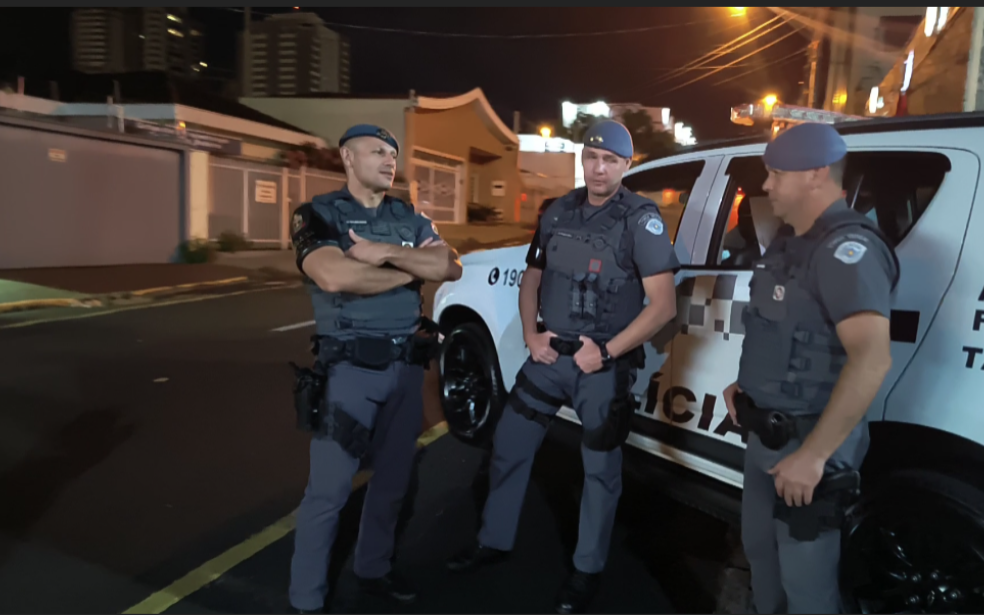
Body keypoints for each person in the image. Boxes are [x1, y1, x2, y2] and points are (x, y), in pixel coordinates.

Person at [444, 119, 680, 614]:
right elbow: (532, 278)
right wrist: (531, 334)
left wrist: (609, 351)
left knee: (600, 474)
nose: (598, 168)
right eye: (592, 157)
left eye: (610, 160)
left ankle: (586, 572)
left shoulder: (641, 219)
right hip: (550, 358)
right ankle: (493, 541)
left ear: (626, 165)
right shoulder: (558, 211)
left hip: (601, 367)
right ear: (582, 159)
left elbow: (662, 306)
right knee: (508, 446)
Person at [721, 123, 899, 614]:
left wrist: (816, 456)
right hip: (765, 437)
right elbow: (787, 330)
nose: (767, 185)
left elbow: (872, 357)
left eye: (777, 174)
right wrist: (749, 385)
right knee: (762, 558)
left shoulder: (847, 250)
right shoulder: (789, 242)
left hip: (807, 445)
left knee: (808, 586)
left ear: (817, 174)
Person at [287, 124, 462, 614]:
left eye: (393, 153)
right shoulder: (318, 214)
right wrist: (413, 266)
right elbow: (333, 273)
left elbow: (450, 265)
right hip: (349, 374)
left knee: (392, 483)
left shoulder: (407, 215)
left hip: (406, 371)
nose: (390, 160)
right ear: (347, 157)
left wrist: (385, 254)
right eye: (377, 152)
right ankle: (305, 600)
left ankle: (373, 570)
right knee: (328, 493)